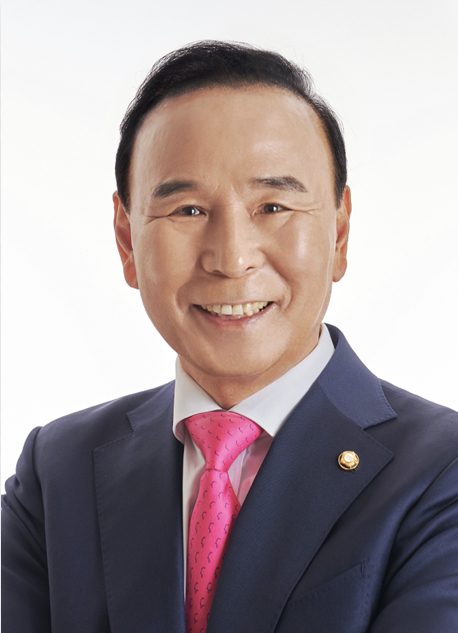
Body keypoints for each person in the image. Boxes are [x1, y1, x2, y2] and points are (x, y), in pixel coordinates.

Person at [2, 41, 458, 633]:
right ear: (127, 239)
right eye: (188, 211)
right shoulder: (57, 472)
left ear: (340, 233)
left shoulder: (441, 470)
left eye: (273, 206)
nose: (231, 257)